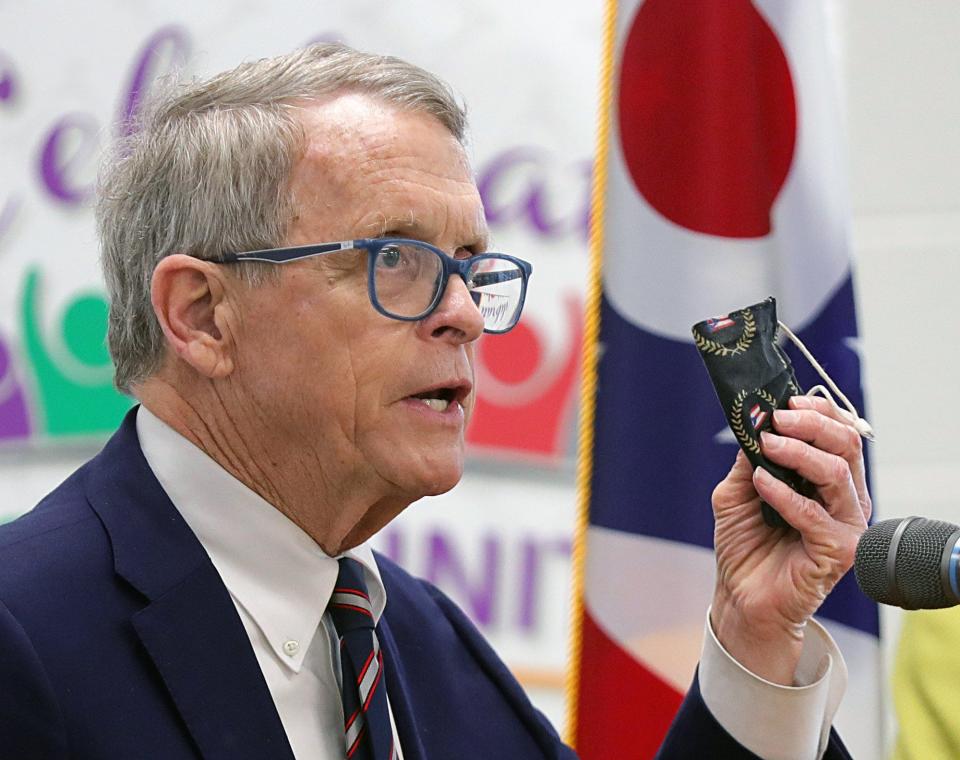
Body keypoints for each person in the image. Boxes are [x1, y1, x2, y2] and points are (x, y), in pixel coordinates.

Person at [0, 43, 869, 759]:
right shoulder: (25, 634)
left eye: (468, 266)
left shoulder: (423, 645)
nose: (461, 314)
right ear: (202, 314)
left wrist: (755, 635)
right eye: (396, 261)